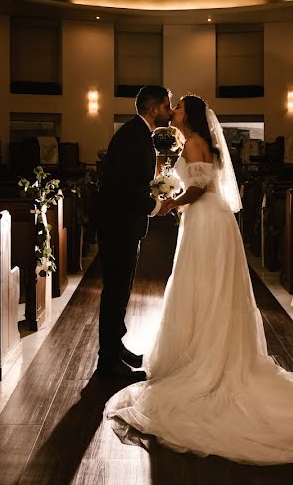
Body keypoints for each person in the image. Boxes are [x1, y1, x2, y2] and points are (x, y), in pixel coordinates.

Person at [105, 95, 293, 464]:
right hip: (204, 219)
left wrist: (173, 202)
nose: (172, 111)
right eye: (169, 106)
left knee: (204, 285)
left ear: (189, 115)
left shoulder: (193, 142)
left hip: (206, 220)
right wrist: (171, 196)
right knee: (203, 287)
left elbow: (201, 186)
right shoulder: (189, 141)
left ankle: (207, 355)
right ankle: (205, 347)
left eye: (177, 107)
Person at [95, 85, 174, 380]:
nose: (169, 111)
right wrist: (155, 207)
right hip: (118, 225)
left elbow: (137, 181)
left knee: (121, 290)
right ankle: (108, 363)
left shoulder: (140, 134)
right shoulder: (133, 136)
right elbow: (127, 187)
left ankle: (116, 346)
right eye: (167, 106)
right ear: (154, 110)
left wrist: (157, 196)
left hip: (123, 224)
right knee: (115, 293)